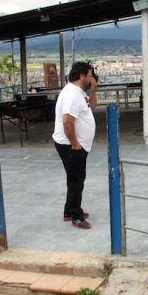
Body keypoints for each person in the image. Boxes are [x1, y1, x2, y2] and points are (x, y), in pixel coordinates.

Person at [52, 61, 98, 229]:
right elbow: (67, 122)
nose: (92, 78)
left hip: (74, 145)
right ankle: (76, 216)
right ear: (81, 76)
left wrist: (93, 90)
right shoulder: (72, 94)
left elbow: (91, 107)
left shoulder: (78, 92)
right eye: (90, 75)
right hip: (70, 145)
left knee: (74, 178)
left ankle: (69, 211)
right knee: (77, 180)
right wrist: (75, 144)